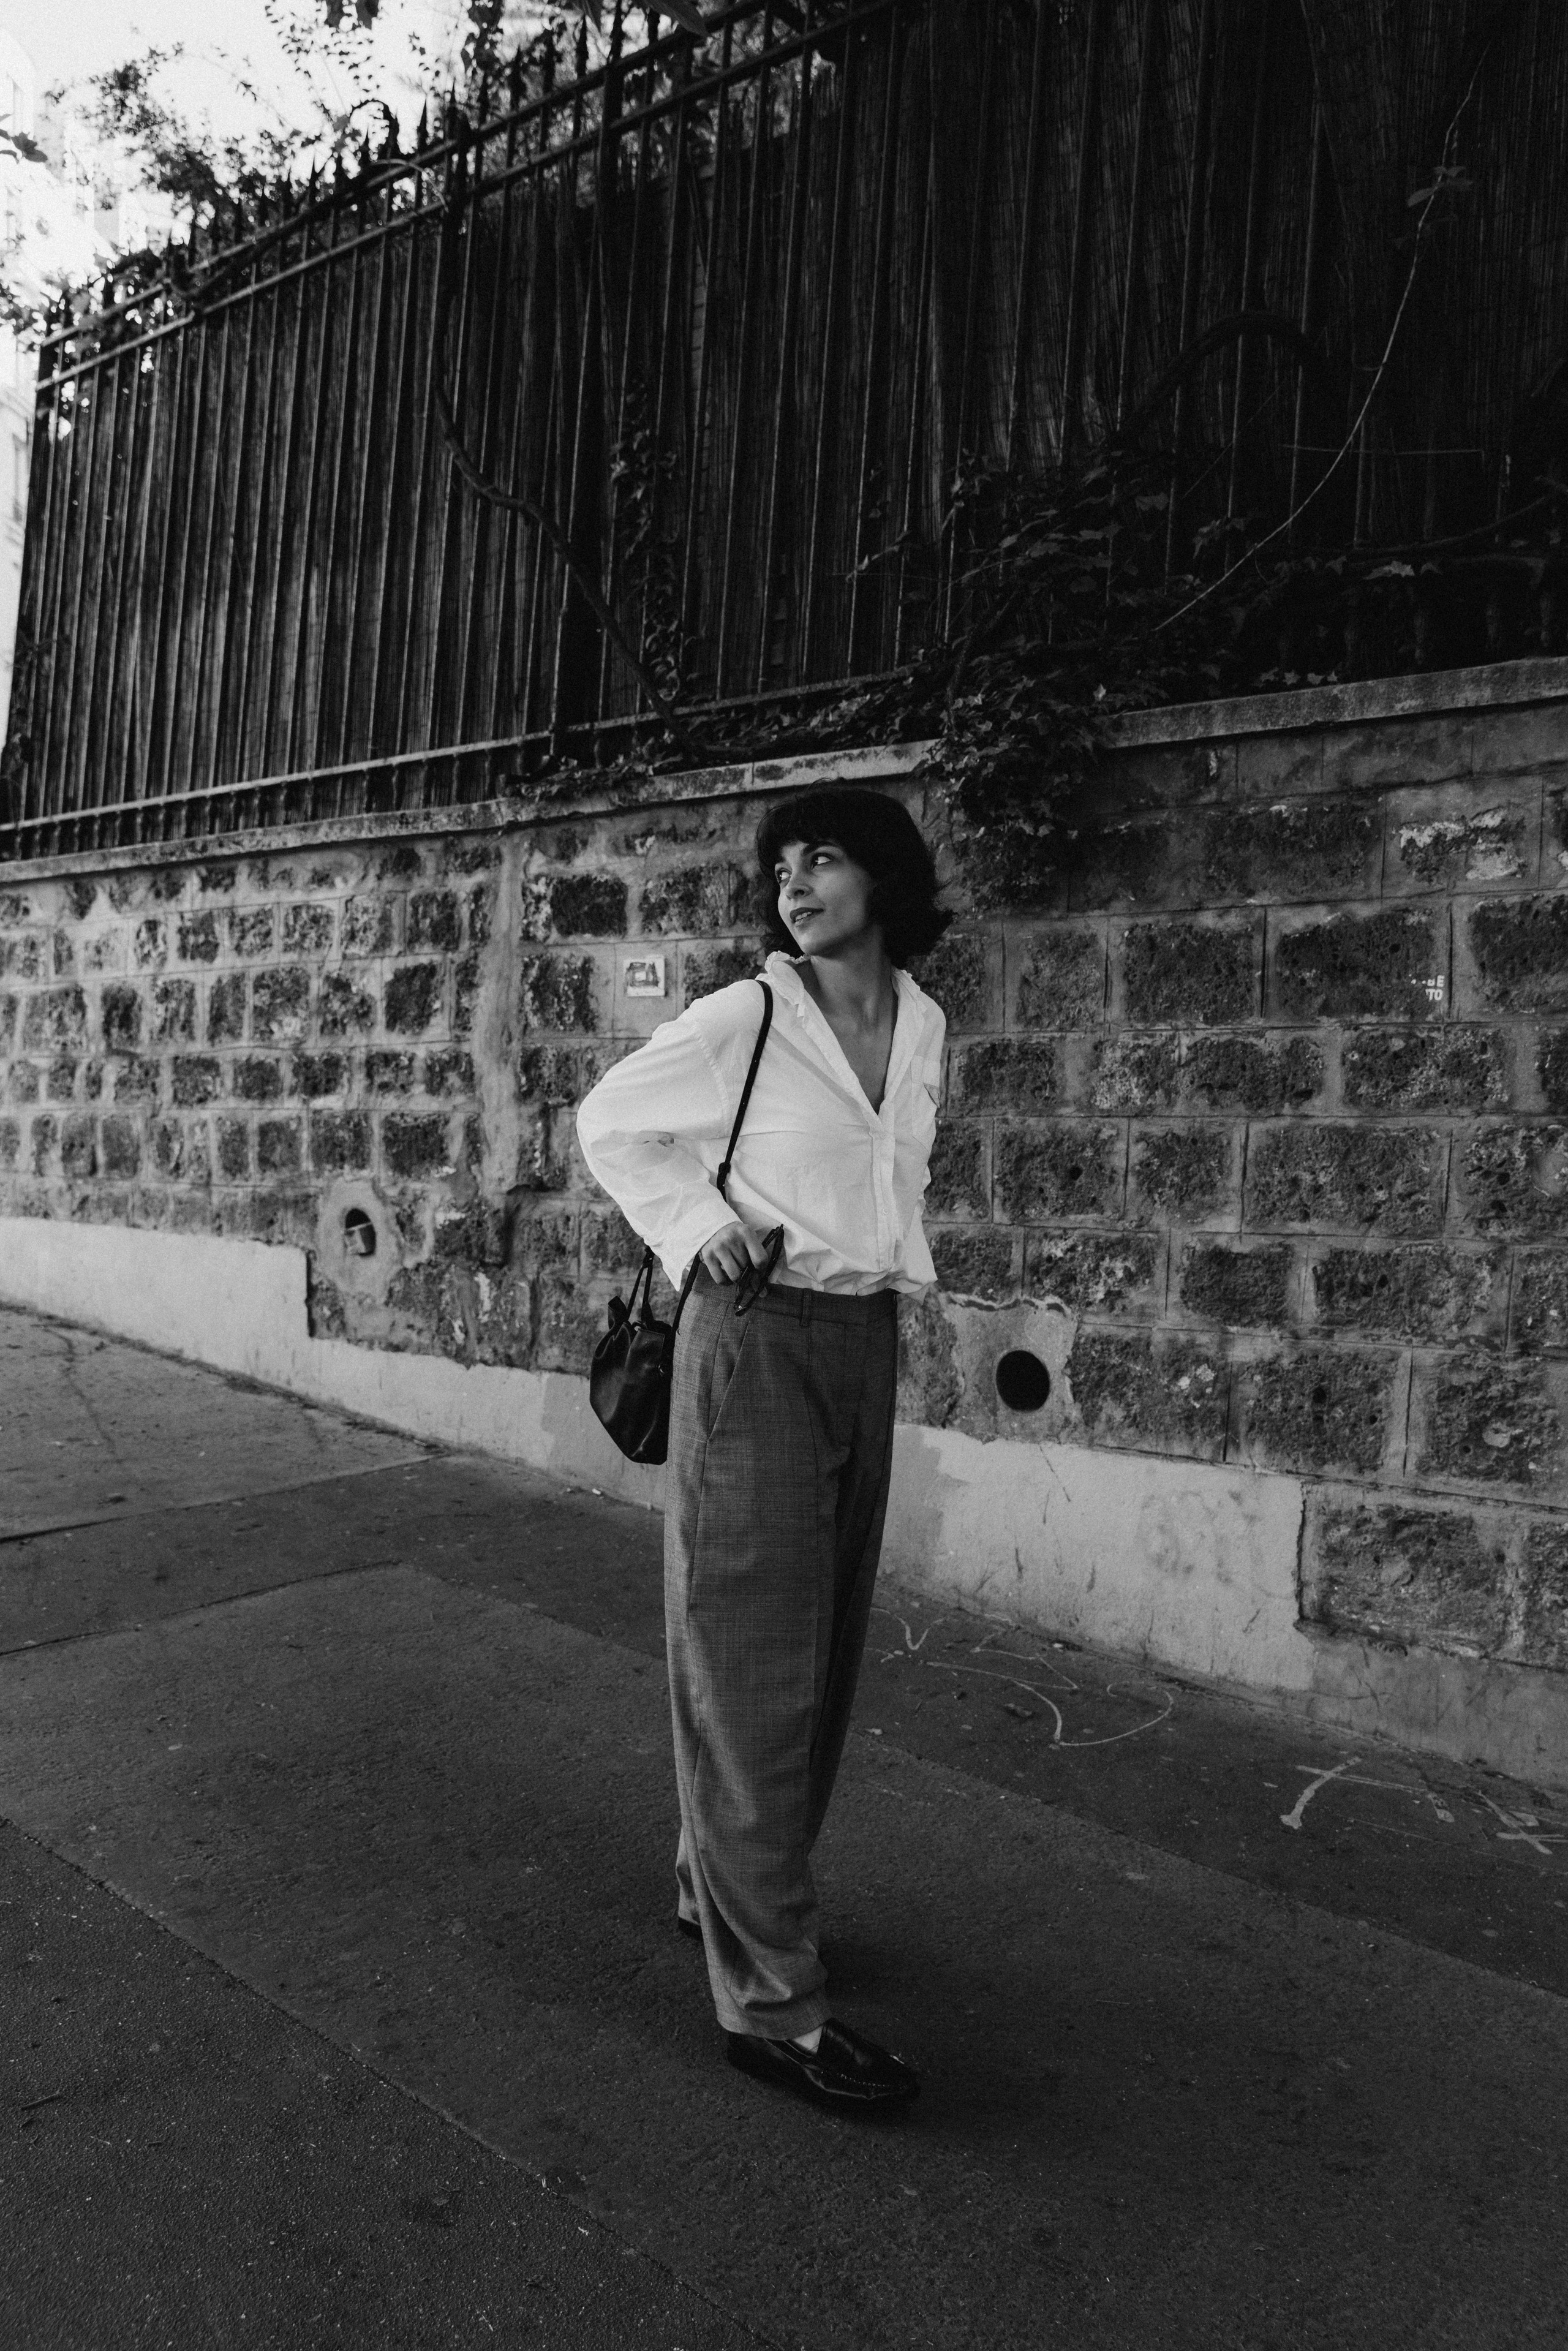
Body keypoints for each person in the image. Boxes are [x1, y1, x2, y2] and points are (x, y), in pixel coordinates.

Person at [576, 784, 949, 2113]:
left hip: (861, 1335)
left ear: (883, 877)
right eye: (782, 864)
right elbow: (610, 1119)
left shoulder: (922, 1023)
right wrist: (697, 1230)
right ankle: (772, 2005)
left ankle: (720, 1883)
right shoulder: (748, 1015)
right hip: (755, 1336)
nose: (795, 882)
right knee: (749, 1655)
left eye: (824, 858)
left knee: (824, 1643)